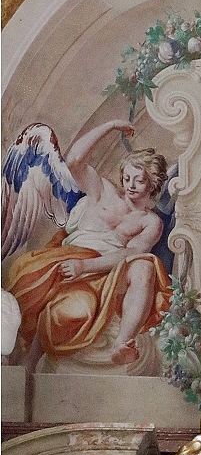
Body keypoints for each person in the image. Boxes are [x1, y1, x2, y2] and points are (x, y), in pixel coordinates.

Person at [6, 121, 171, 371]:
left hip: (105, 271)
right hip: (69, 258)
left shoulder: (150, 222)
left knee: (145, 266)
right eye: (127, 178)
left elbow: (131, 253)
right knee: (66, 309)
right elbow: (74, 161)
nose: (130, 185)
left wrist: (85, 266)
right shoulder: (104, 191)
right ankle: (27, 363)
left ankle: (122, 344)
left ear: (152, 183)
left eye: (139, 180)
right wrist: (111, 125)